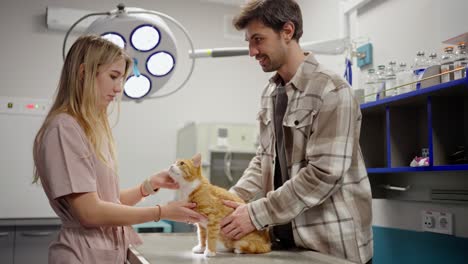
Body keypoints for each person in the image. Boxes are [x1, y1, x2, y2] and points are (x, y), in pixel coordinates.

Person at [219, 1, 373, 263]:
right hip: (284, 243)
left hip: (331, 247)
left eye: (258, 39)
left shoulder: (332, 90)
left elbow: (324, 174)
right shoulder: (270, 93)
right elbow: (263, 158)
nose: (252, 51)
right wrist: (227, 200)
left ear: (287, 31)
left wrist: (256, 213)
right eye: (249, 41)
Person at [32, 35, 206, 263]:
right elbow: (89, 212)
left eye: (122, 79)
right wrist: (161, 212)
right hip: (81, 254)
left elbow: (107, 201)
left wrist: (148, 186)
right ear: (83, 73)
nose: (119, 88)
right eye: (113, 77)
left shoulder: (90, 129)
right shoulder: (64, 128)